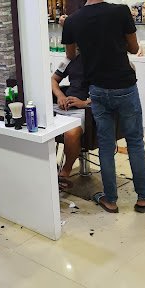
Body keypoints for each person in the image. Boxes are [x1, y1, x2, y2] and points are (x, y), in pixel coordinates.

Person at [61, 0, 145, 213]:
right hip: (125, 87)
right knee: (135, 142)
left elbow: (71, 55)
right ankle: (144, 198)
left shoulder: (73, 20)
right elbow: (133, 48)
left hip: (97, 90)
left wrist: (78, 34)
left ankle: (109, 199)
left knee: (106, 145)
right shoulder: (121, 12)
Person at [51, 53, 90, 188]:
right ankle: (49, 166)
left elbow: (109, 91)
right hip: (65, 105)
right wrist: (60, 95)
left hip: (87, 109)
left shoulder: (100, 59)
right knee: (39, 122)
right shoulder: (70, 58)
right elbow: (53, 79)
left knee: (71, 132)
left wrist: (85, 103)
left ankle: (66, 171)